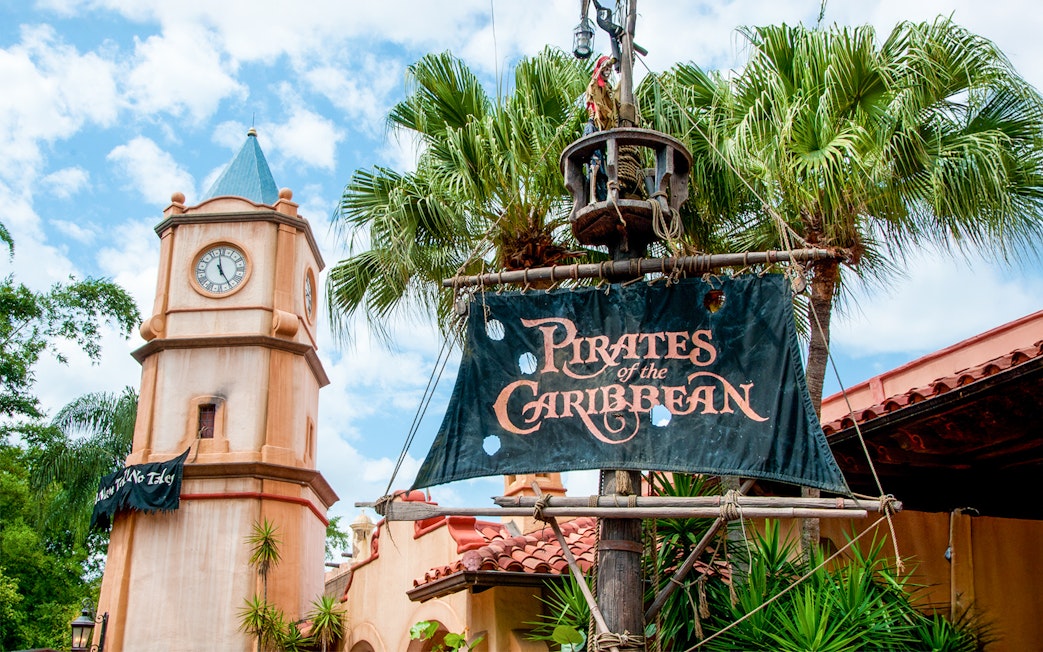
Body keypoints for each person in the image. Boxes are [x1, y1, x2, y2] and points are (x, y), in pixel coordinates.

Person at [584, 55, 617, 201]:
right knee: (595, 162)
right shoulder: (594, 85)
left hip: (605, 131)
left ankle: (603, 195)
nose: (608, 71)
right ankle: (593, 197)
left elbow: (613, 108)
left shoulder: (608, 89)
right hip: (594, 127)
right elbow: (593, 89)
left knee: (603, 166)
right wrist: (603, 66)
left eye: (610, 69)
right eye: (605, 68)